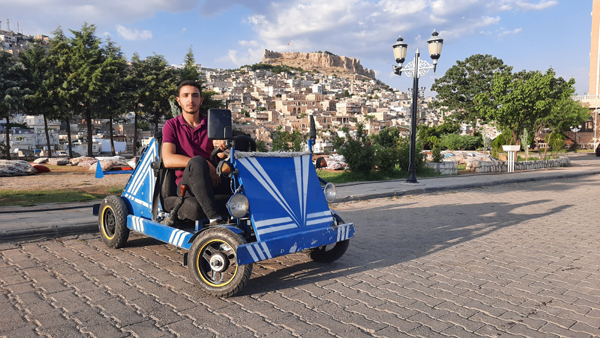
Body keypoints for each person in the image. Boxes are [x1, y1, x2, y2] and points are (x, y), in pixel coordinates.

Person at [162, 80, 228, 226]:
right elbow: (168, 159)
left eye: (195, 95)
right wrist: (205, 164)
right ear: (179, 101)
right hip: (187, 185)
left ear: (201, 100)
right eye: (185, 96)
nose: (190, 100)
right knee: (197, 162)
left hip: (213, 180)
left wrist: (222, 145)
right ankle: (215, 220)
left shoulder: (212, 125)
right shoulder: (171, 125)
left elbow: (221, 156)